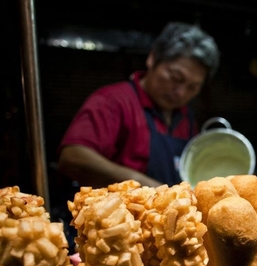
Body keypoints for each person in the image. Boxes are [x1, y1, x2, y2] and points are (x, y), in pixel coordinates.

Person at [57, 22, 220, 188]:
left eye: (192, 87)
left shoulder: (186, 118)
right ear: (153, 59)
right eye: (175, 78)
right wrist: (138, 181)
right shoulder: (113, 101)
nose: (181, 93)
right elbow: (71, 156)